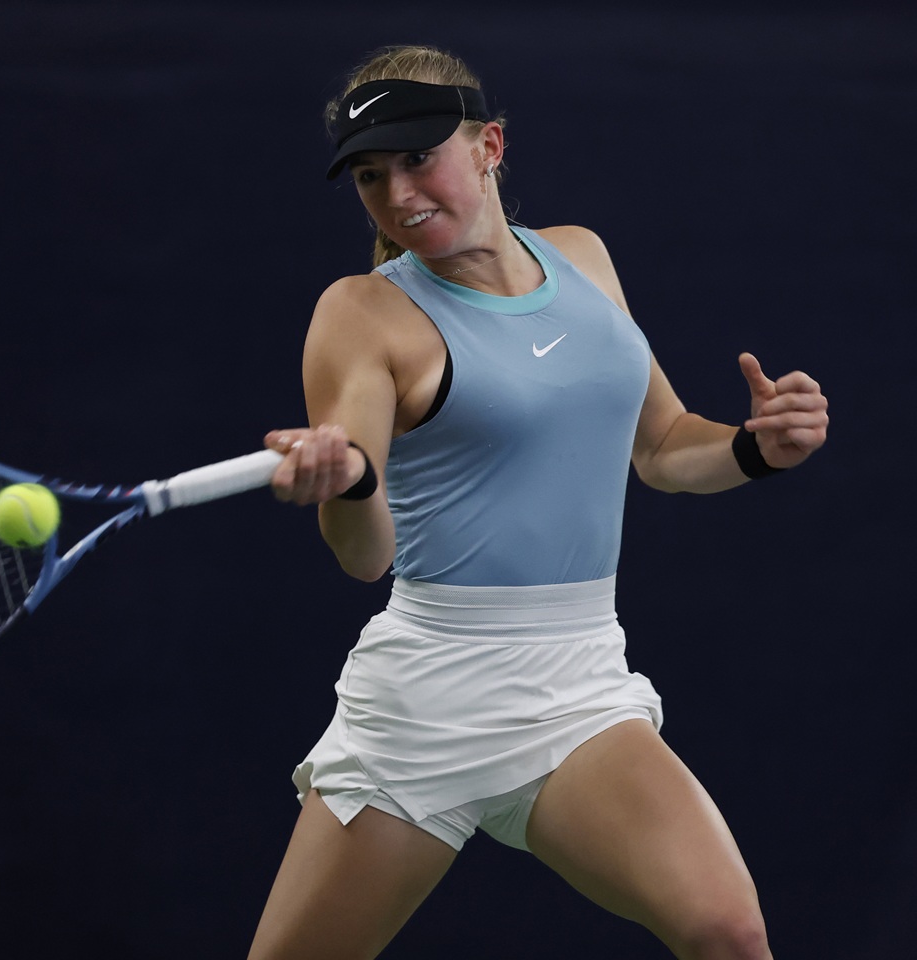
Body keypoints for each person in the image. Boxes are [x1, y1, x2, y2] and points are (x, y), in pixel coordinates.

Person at [251, 45, 829, 960]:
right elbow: (364, 555)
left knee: (729, 933)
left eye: (418, 157)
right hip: (428, 704)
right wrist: (349, 480)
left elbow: (665, 449)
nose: (398, 194)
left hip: (578, 684)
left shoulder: (582, 258)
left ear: (489, 145)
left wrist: (757, 448)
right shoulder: (361, 313)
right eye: (370, 175)